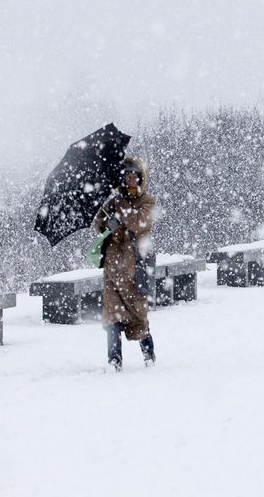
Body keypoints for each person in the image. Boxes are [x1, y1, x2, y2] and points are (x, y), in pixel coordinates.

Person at [93, 155, 157, 371]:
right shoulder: (114, 201)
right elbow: (98, 222)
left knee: (139, 314)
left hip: (134, 267)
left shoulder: (147, 201)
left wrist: (121, 216)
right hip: (112, 267)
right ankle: (114, 360)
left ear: (140, 179)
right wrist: (106, 224)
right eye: (127, 177)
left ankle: (149, 355)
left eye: (134, 177)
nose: (130, 181)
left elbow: (140, 221)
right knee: (112, 316)